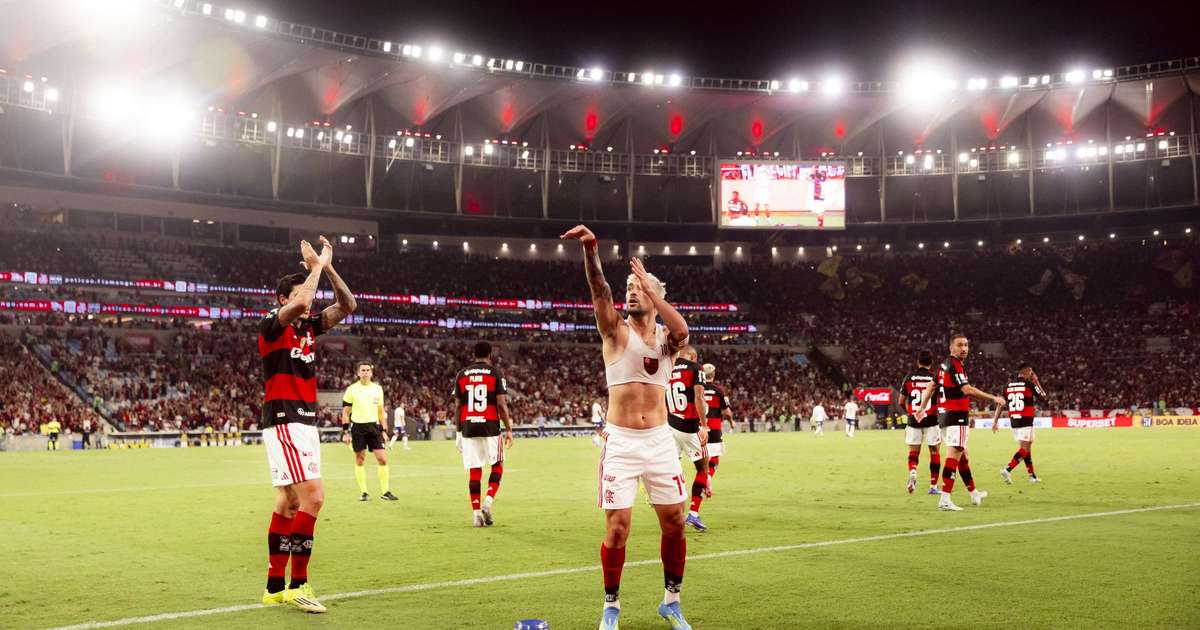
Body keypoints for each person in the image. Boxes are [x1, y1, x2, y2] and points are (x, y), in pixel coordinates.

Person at [561, 224, 693, 630]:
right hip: (620, 441)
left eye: (638, 287)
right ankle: (611, 606)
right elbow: (599, 290)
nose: (631, 292)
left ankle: (671, 602)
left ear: (654, 295)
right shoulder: (615, 332)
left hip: (659, 441)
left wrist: (654, 292)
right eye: (629, 287)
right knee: (617, 530)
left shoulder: (667, 340)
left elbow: (683, 331)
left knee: (675, 522)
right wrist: (591, 251)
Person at [258, 236, 355, 614]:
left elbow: (347, 305)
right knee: (314, 497)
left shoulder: (309, 327)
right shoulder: (272, 323)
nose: (309, 300)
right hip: (286, 417)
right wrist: (314, 268)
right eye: (299, 294)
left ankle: (274, 587)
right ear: (282, 299)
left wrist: (327, 268)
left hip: (301, 419)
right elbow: (301, 302)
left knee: (290, 501)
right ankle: (299, 584)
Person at [915, 334, 1005, 512]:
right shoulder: (954, 365)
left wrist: (921, 408)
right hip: (957, 417)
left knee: (963, 457)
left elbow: (931, 386)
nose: (964, 348)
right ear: (951, 348)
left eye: (966, 345)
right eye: (959, 345)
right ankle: (945, 499)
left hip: (944, 417)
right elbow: (967, 390)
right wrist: (993, 398)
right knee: (953, 457)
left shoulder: (943, 365)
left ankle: (973, 493)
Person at [452, 341, 514, 528]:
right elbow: (501, 404)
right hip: (490, 426)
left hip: (468, 426)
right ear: (490, 355)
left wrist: (458, 432)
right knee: (497, 464)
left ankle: (476, 515)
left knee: (475, 469)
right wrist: (508, 428)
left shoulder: (462, 374)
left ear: (474, 355)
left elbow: (457, 406)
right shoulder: (495, 373)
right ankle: (488, 501)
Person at [667, 346, 710, 532]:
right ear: (692, 356)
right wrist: (704, 425)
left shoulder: (667, 367)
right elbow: (699, 396)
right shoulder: (695, 368)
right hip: (690, 427)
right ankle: (693, 512)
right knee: (703, 468)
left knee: (672, 469)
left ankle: (671, 508)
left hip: (670, 426)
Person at [341, 362, 397, 502]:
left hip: (374, 427)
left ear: (371, 373)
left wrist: (384, 430)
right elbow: (346, 413)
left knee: (382, 459)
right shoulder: (351, 390)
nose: (365, 372)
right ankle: (364, 492)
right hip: (358, 428)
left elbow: (380, 412)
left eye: (367, 370)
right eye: (363, 370)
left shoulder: (377, 389)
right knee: (360, 460)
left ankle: (385, 492)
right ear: (358, 373)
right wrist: (346, 432)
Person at [997, 364, 1048, 484]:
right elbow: (1043, 397)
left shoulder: (1008, 386)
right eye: (1031, 372)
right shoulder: (1029, 384)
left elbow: (1000, 404)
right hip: (1026, 420)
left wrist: (995, 421)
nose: (1032, 374)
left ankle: (1032, 476)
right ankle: (1007, 469)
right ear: (1027, 372)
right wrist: (1036, 381)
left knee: (1026, 449)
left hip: (1014, 421)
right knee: (1024, 449)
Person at [900, 351, 942, 495]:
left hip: (914, 420)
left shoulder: (909, 377)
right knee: (935, 452)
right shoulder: (935, 378)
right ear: (931, 363)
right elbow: (941, 399)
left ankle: (913, 471)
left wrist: (910, 413)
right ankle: (933, 486)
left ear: (918, 362)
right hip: (931, 419)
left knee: (913, 452)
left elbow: (900, 401)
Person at [701, 363, 733, 498]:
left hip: (699, 429)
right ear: (713, 375)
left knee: (701, 458)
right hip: (714, 428)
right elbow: (727, 412)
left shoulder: (697, 389)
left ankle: (702, 482)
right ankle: (708, 477)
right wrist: (731, 423)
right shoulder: (719, 390)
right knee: (715, 457)